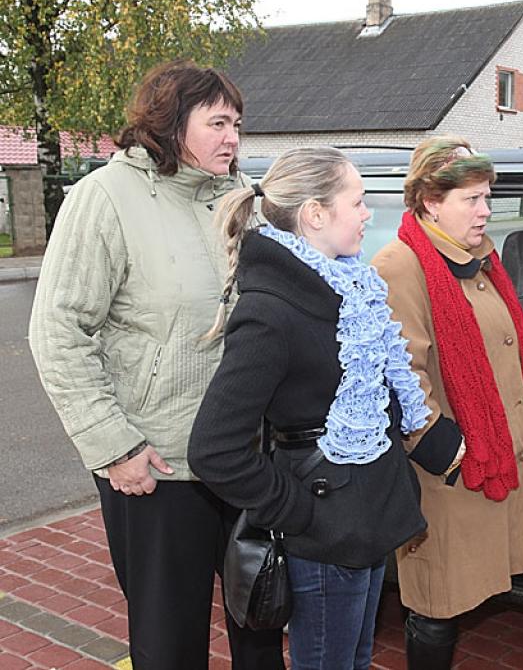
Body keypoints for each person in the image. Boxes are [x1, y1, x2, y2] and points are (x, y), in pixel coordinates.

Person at [28, 60, 283, 669]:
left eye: (238, 125)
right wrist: (115, 447)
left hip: (245, 456)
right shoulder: (105, 198)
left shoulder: (240, 199)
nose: (233, 138)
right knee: (169, 643)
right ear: (170, 126)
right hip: (159, 464)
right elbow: (59, 332)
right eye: (218, 123)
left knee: (262, 624)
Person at [188, 147, 429, 670]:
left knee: (356, 659)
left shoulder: (351, 288)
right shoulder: (272, 310)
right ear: (315, 214)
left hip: (364, 516)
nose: (368, 214)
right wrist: (298, 512)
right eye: (359, 202)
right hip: (324, 530)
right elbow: (213, 448)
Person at [371, 136, 523, 669]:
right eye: (471, 199)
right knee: (437, 605)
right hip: (451, 473)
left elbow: (503, 342)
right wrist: (453, 456)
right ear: (429, 200)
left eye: (486, 197)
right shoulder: (400, 266)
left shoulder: (477, 259)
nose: (485, 211)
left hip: (500, 453)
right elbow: (402, 380)